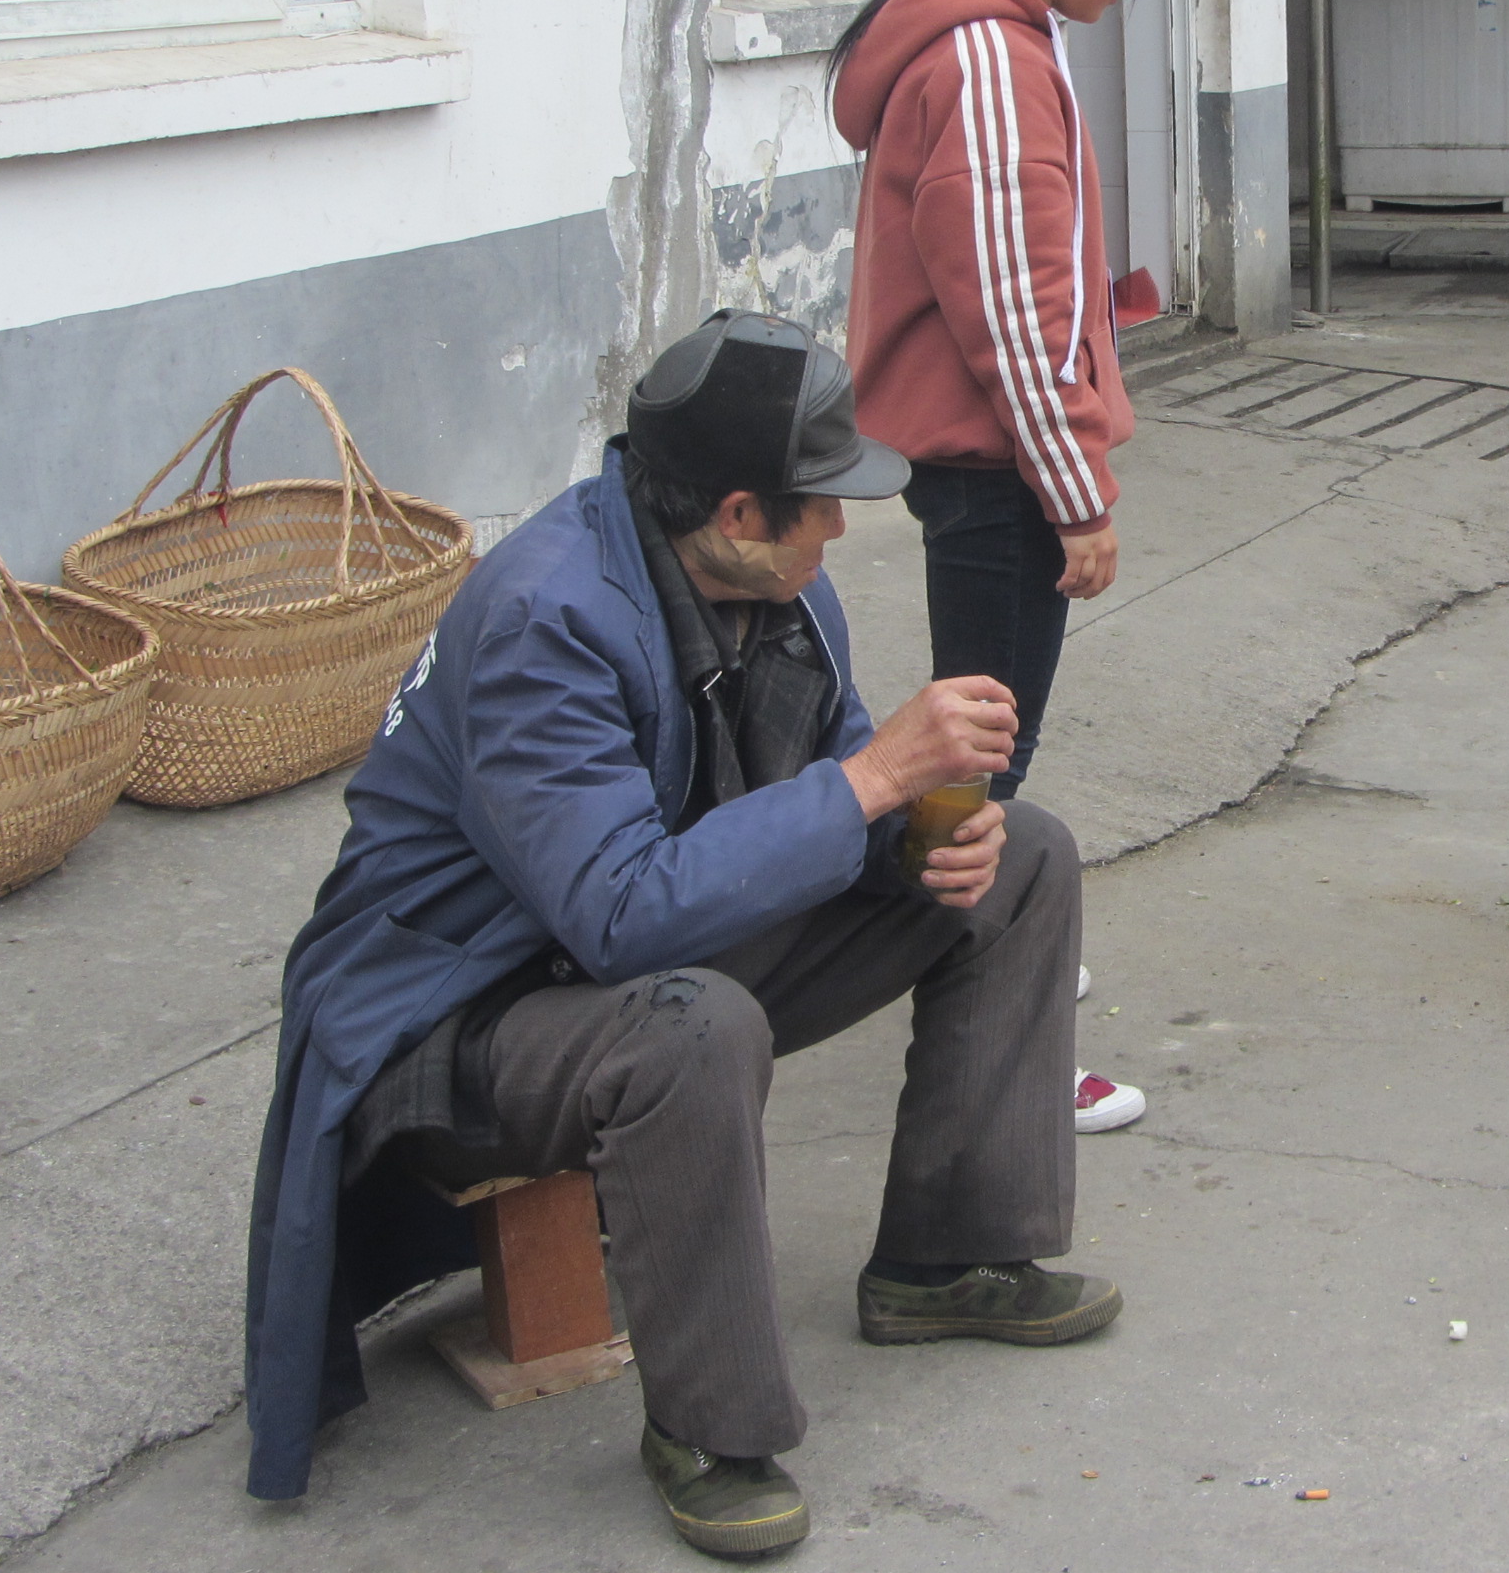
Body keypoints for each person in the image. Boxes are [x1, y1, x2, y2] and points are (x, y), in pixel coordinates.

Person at [243, 312, 1117, 1558]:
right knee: (691, 1029)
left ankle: (948, 1259)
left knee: (1017, 857)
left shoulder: (776, 589)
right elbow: (619, 917)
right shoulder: (544, 619)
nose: (841, 526)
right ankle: (711, 1429)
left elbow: (821, 798)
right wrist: (873, 782)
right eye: (819, 504)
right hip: (458, 1012)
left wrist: (918, 834)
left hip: (617, 949)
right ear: (740, 511)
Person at [831, 0, 1174, 1135]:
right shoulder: (981, 59)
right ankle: (997, 1052)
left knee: (978, 757)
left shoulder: (995, 33)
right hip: (998, 474)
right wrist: (1078, 493)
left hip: (987, 469)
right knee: (983, 778)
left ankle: (983, 972)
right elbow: (1012, 322)